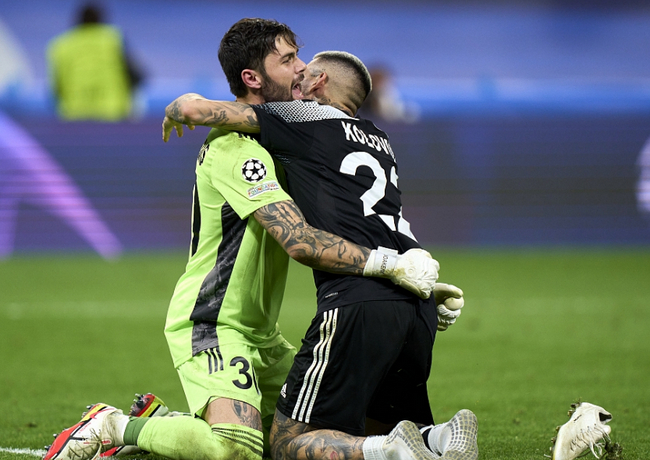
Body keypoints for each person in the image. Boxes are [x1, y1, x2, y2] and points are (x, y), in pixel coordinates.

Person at [42, 19, 441, 460]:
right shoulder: (236, 148)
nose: (302, 68)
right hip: (213, 322)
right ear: (252, 78)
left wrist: (418, 280)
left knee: (325, 432)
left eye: (298, 56)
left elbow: (358, 215)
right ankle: (113, 425)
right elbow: (300, 239)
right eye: (287, 60)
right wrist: (391, 267)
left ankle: (169, 421)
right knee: (238, 448)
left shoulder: (292, 139)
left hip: (262, 334)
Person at [162, 50, 477, 460]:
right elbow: (381, 220)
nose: (298, 74)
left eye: (303, 67)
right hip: (415, 305)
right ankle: (442, 437)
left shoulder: (303, 118)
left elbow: (196, 110)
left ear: (319, 82)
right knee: (373, 425)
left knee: (287, 441)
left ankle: (391, 451)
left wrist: (180, 106)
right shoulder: (380, 140)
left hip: (357, 299)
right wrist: (423, 280)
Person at [46, 2, 144, 121]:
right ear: (101, 21)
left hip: (74, 115)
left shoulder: (60, 46)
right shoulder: (113, 39)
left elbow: (55, 89)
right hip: (112, 115)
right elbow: (137, 76)